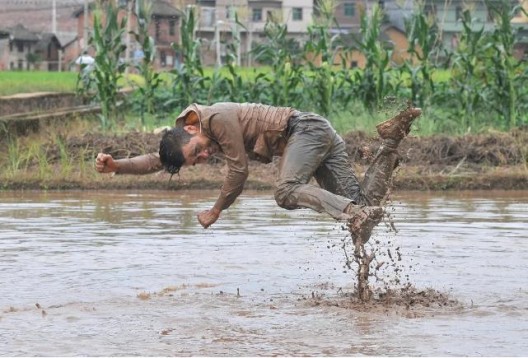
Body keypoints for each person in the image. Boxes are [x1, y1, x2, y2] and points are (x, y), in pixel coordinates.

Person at [95, 103, 421, 243]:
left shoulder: (218, 119)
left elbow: (239, 171)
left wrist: (216, 209)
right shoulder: (197, 135)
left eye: (198, 151)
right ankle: (390, 143)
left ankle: (351, 212)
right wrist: (116, 166)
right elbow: (155, 160)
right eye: (198, 160)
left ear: (192, 126)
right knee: (362, 227)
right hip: (316, 135)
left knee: (285, 191)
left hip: (304, 131)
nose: (206, 156)